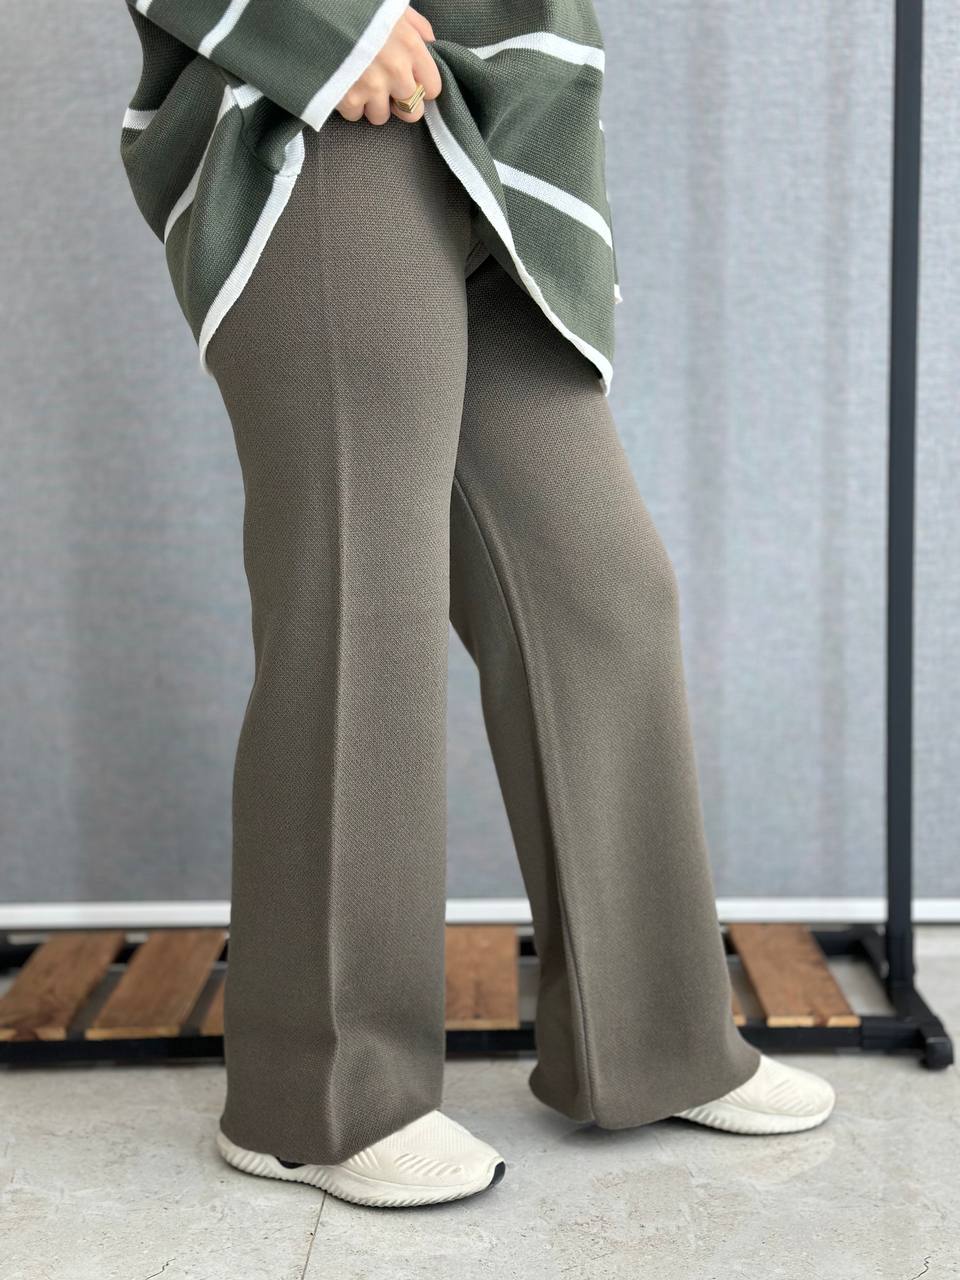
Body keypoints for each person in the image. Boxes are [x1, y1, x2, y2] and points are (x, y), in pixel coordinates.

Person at [119, 0, 835, 1210]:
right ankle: (320, 1100)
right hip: (324, 113)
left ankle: (653, 1041)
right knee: (362, 603)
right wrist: (319, 24)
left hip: (500, 125)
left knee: (602, 592)